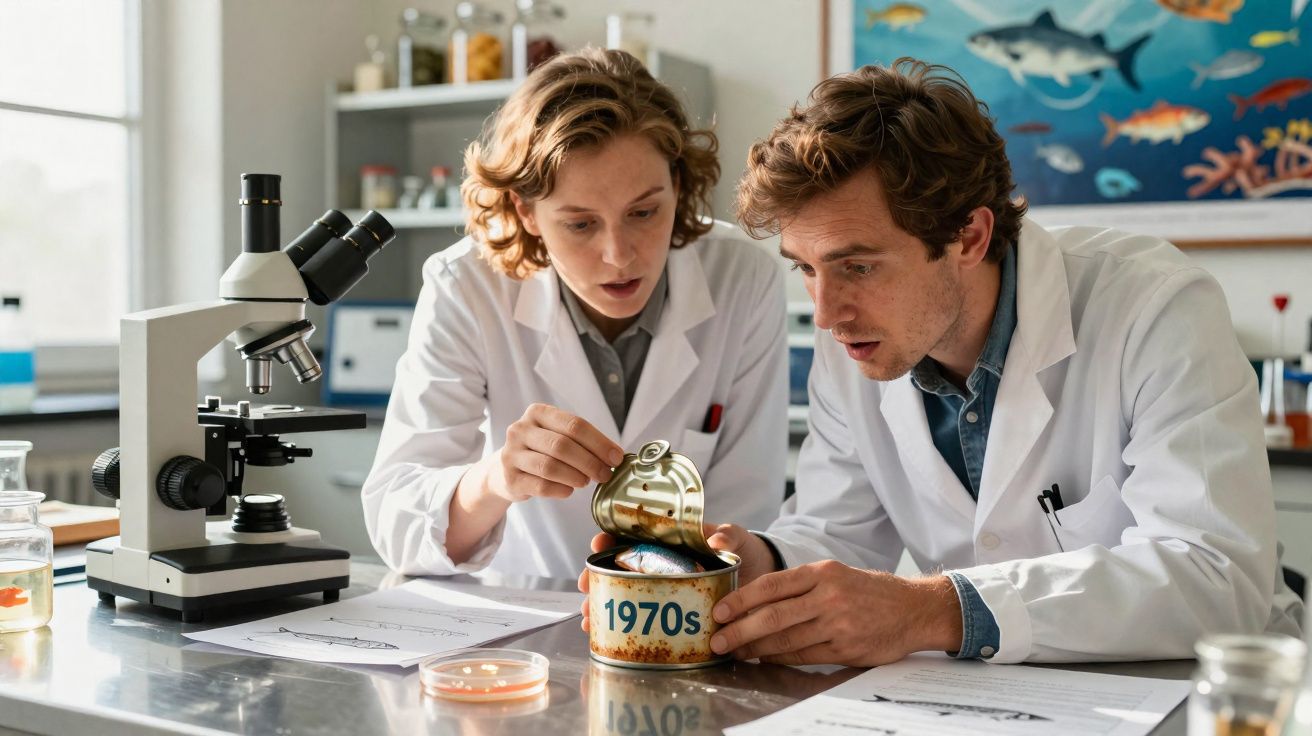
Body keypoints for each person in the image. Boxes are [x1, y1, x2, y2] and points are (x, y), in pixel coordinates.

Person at [584, 57, 1303, 664]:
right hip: (993, 701)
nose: (826, 313)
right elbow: (837, 531)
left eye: (858, 266)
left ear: (969, 236)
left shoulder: (1154, 307)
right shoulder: (855, 341)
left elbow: (1215, 575)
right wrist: (755, 564)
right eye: (805, 267)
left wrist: (937, 610)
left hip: (1191, 693)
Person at [361, 49, 788, 580]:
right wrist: (496, 479)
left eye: (644, 212)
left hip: (687, 610)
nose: (619, 255)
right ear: (525, 210)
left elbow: (749, 506)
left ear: (677, 185)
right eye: (581, 224)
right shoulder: (467, 286)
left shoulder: (743, 277)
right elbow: (397, 523)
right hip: (518, 613)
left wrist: (654, 587)